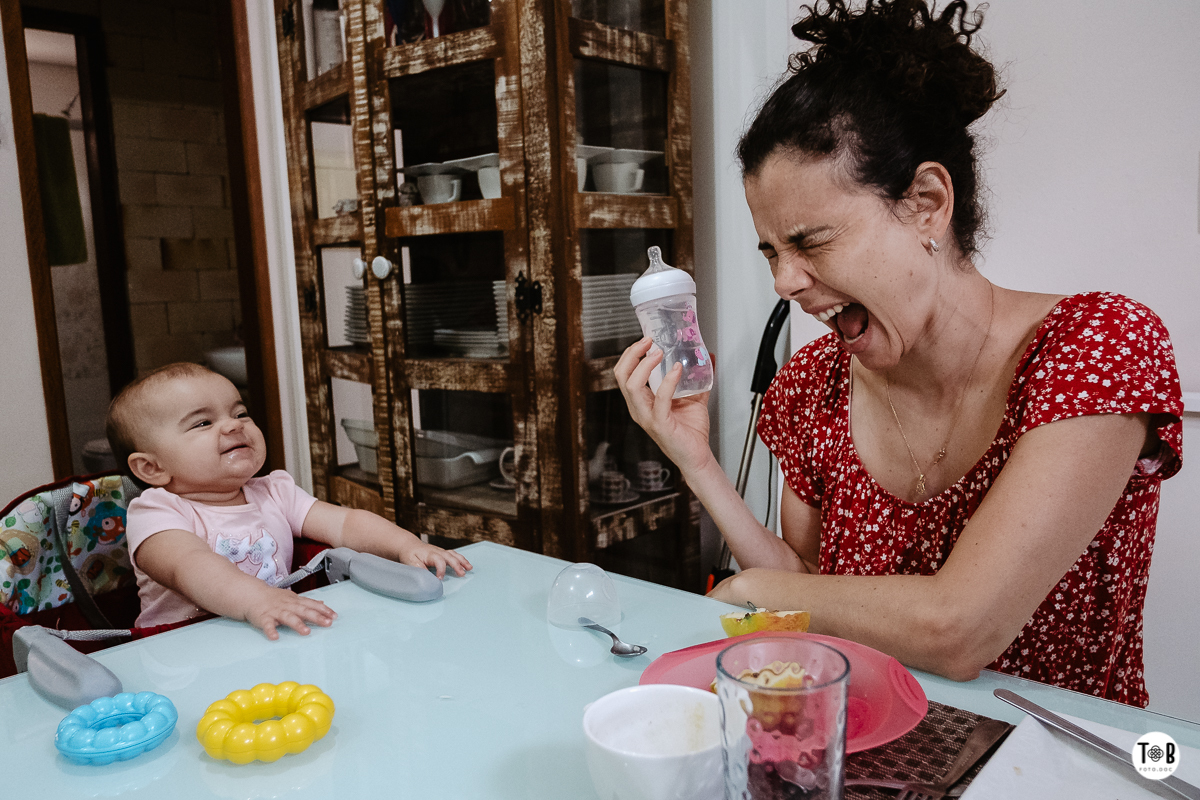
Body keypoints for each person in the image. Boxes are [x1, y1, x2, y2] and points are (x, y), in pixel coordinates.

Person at [615, 0, 1182, 707]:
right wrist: (693, 457)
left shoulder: (1096, 347)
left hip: (1060, 760)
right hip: (876, 744)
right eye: (771, 251)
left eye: (811, 242)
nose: (785, 282)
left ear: (927, 204)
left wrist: (745, 591)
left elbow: (960, 629)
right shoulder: (810, 385)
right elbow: (809, 586)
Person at [106, 362, 472, 640]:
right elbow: (189, 565)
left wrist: (405, 546)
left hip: (270, 630)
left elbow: (345, 523)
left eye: (240, 413)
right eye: (202, 423)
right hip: (182, 654)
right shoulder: (156, 512)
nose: (234, 426)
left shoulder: (274, 491)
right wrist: (256, 601)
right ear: (151, 468)